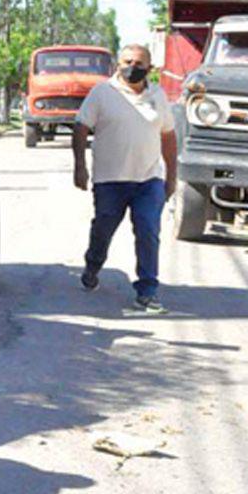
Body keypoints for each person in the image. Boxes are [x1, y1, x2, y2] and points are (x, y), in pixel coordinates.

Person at [73, 44, 177, 313]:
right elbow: (81, 127)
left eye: (139, 63)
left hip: (148, 180)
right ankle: (93, 266)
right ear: (117, 65)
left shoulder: (157, 95)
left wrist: (172, 176)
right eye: (127, 61)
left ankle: (147, 291)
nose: (133, 67)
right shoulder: (102, 93)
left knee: (148, 230)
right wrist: (80, 166)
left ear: (149, 68)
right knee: (103, 229)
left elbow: (168, 136)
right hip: (110, 180)